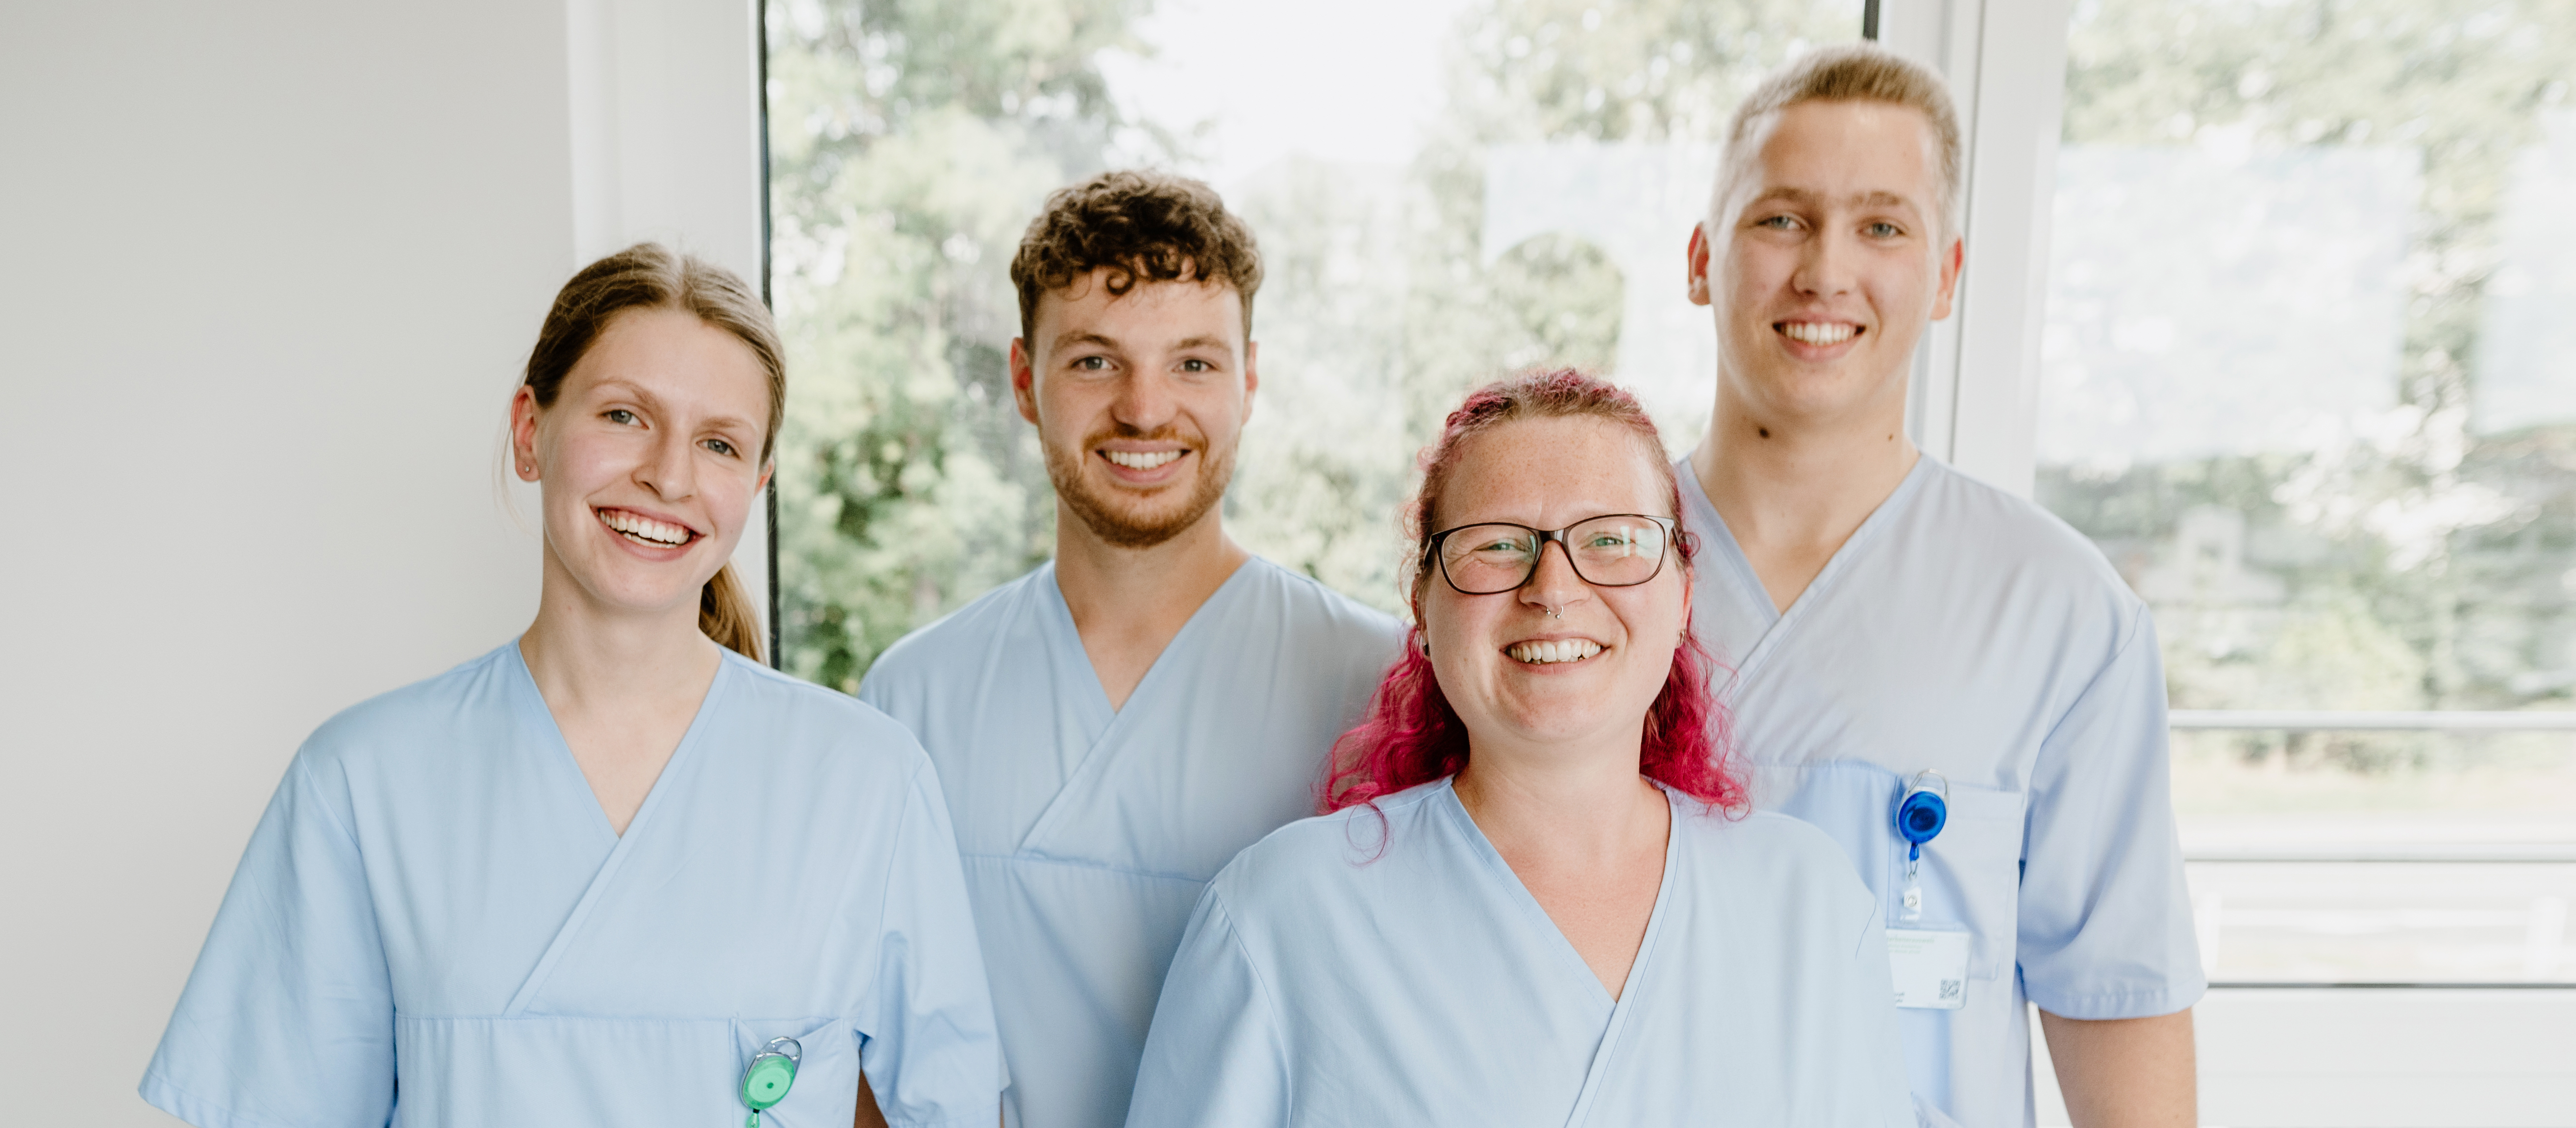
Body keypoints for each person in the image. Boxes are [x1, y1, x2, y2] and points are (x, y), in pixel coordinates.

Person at [139, 244, 1000, 1128]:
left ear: (757, 483)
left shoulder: (866, 780)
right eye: (625, 415)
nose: (669, 475)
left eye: (718, 443)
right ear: (530, 430)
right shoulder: (360, 781)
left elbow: (956, 1110)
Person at [1122, 369, 1909, 1127]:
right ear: (1421, 606)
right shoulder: (1282, 914)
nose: (1553, 590)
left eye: (1610, 539)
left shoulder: (1809, 904)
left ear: (1682, 597)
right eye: (1497, 545)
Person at [1676, 44, 2202, 1128]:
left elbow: (2116, 998)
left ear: (1948, 274)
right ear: (1700, 258)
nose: (1825, 271)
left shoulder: (2056, 609)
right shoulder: (1579, 578)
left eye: (1881, 226)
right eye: (1781, 218)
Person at [859, 171, 1403, 1128]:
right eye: (1094, 362)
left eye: (1192, 362)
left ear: (1248, 381)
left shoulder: (1374, 687)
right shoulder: (914, 697)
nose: (1145, 410)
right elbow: (868, 1047)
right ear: (1023, 381)